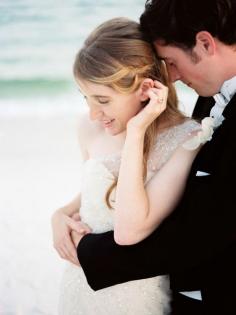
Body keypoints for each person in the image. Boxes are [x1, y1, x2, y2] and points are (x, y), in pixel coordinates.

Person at [70, 1, 236, 315]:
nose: (170, 76)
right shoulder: (209, 101)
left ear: (204, 43)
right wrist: (62, 215)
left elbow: (202, 232)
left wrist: (86, 251)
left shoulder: (190, 130)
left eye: (171, 62)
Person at [51, 17, 202, 314]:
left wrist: (136, 132)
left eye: (103, 100)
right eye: (86, 98)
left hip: (135, 297)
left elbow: (130, 229)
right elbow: (94, 195)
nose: (94, 114)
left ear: (145, 88)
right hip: (82, 287)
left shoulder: (187, 140)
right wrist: (60, 214)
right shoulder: (89, 129)